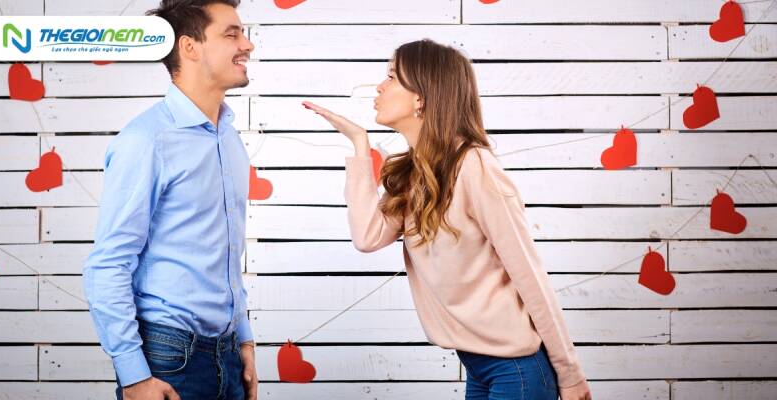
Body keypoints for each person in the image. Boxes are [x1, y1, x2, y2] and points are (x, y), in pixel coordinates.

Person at [303, 39, 592, 400]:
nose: (379, 87)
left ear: (420, 97)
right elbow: (367, 237)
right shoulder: (413, 173)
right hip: (479, 365)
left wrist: (570, 374)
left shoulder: (474, 167)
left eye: (391, 77)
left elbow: (529, 276)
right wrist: (360, 145)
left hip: (517, 369)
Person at [82, 1, 258, 399]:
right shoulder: (147, 140)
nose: (247, 45)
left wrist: (244, 340)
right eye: (231, 34)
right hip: (168, 360)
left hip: (229, 353)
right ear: (189, 47)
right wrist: (134, 376)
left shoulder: (228, 137)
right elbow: (108, 264)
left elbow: (225, 255)